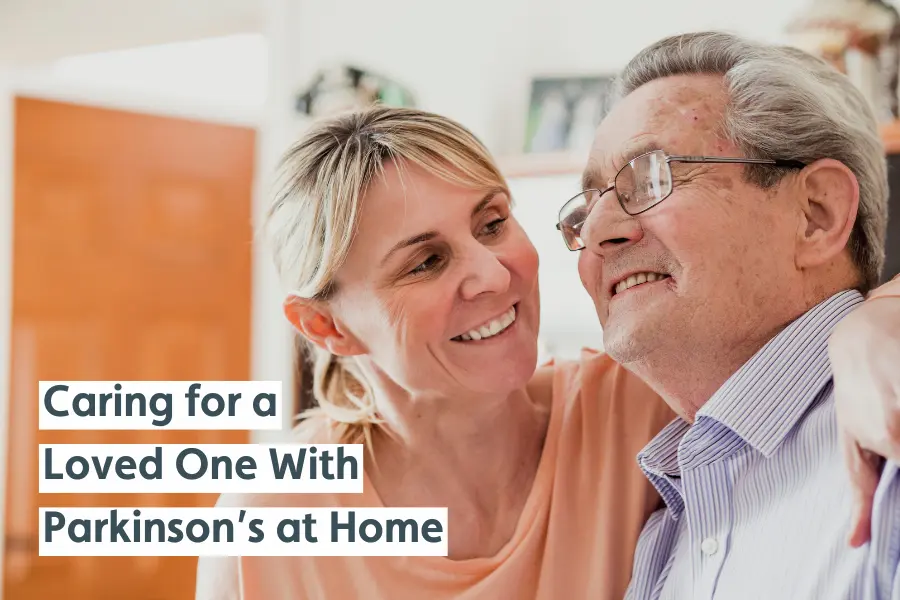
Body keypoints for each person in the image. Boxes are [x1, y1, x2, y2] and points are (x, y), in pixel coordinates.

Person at [195, 105, 900, 600]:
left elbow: (791, 321)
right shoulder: (266, 526)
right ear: (326, 329)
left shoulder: (637, 402)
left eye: (493, 223)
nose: (494, 274)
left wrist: (875, 317)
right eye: (426, 262)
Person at [556, 30, 900, 598]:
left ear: (816, 214)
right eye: (586, 207)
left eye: (650, 177)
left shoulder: (884, 426)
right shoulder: (664, 520)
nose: (596, 232)